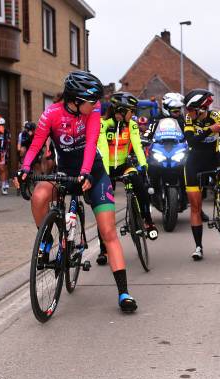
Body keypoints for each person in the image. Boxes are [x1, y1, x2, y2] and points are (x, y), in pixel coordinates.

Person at [14, 71, 138, 313]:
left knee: (108, 231)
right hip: (65, 172)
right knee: (39, 196)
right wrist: (25, 168)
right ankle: (47, 239)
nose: (95, 106)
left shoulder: (93, 113)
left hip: (94, 172)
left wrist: (86, 173)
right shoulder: (51, 114)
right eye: (91, 102)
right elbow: (36, 144)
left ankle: (124, 292)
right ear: (76, 99)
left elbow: (91, 144)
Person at [96, 91, 158, 266]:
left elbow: (137, 145)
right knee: (104, 208)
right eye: (131, 111)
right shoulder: (103, 124)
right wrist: (106, 175)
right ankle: (103, 250)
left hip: (123, 163)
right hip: (106, 167)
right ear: (121, 110)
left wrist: (143, 164)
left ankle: (147, 220)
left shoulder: (131, 125)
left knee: (140, 186)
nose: (134, 114)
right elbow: (103, 147)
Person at [183, 89, 220, 260]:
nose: (187, 113)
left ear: (202, 109)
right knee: (195, 207)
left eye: (190, 109)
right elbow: (191, 141)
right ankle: (198, 247)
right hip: (194, 164)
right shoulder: (189, 119)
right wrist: (209, 130)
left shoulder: (215, 117)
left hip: (214, 159)